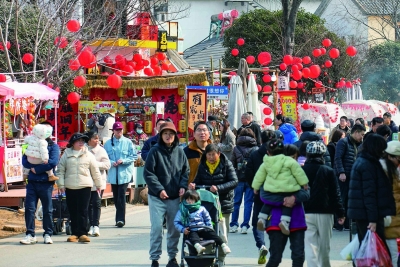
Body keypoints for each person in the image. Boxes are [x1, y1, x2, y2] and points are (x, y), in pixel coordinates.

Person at [144, 122, 189, 267]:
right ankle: (155, 258)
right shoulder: (154, 151)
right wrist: (159, 189)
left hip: (174, 196)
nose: (168, 136)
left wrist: (182, 186)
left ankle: (172, 257)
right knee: (157, 228)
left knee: (174, 228)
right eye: (165, 133)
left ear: (175, 135)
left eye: (171, 133)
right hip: (157, 197)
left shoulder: (180, 151)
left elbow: (185, 171)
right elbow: (148, 173)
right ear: (160, 135)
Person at [189, 144, 238, 265]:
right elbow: (198, 180)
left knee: (222, 231)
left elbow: (234, 181)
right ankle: (210, 256)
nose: (210, 157)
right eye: (208, 155)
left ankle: (221, 259)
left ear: (219, 154)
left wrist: (219, 188)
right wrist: (193, 185)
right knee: (208, 230)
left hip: (223, 203)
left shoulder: (226, 164)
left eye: (213, 154)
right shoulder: (203, 165)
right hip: (208, 205)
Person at [348, 134, 395, 254]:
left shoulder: (363, 161)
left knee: (366, 248)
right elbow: (369, 194)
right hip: (368, 215)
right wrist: (372, 220)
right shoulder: (368, 165)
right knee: (374, 252)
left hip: (361, 213)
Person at [302, 141, 345, 267]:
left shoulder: (302, 170)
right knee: (324, 246)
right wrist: (340, 213)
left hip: (306, 211)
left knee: (310, 246)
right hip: (326, 212)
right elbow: (335, 193)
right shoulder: (329, 171)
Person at [252, 139, 309, 235]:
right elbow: (299, 173)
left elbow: (259, 176)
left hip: (271, 189)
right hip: (287, 189)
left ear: (268, 152)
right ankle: (284, 222)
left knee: (268, 203)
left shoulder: (266, 162)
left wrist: (256, 187)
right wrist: (304, 183)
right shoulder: (290, 161)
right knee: (287, 204)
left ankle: (261, 218)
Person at [20, 121, 60, 245]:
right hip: (31, 182)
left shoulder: (53, 146)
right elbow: (24, 158)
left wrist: (36, 169)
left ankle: (48, 233)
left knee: (47, 209)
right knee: (29, 208)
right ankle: (30, 234)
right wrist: (31, 167)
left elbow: (53, 162)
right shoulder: (30, 142)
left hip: (45, 182)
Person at [57, 133, 102, 243]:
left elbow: (95, 170)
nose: (81, 143)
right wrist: (61, 185)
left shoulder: (89, 154)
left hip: (85, 186)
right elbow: (60, 170)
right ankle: (74, 233)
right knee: (73, 210)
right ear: (73, 143)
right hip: (70, 186)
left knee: (83, 210)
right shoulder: (66, 154)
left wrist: (98, 184)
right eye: (79, 141)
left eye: (83, 141)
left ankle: (83, 233)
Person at [245, 130, 276, 264]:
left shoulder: (255, 154)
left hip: (260, 193)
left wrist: (254, 187)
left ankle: (261, 245)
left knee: (258, 221)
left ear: (261, 140)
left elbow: (248, 172)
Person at [174, 190, 231, 255]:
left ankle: (223, 245)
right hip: (191, 230)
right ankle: (198, 247)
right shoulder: (182, 210)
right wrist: (182, 229)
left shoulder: (201, 208)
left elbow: (207, 218)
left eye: (192, 199)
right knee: (193, 237)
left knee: (213, 235)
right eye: (187, 199)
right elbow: (176, 222)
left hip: (203, 228)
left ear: (196, 200)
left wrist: (209, 227)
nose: (189, 201)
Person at [104, 122, 137, 228]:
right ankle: (119, 217)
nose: (119, 132)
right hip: (113, 174)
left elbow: (134, 156)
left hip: (124, 174)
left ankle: (120, 219)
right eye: (117, 130)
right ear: (113, 131)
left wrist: (124, 160)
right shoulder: (108, 144)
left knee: (121, 196)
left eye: (121, 130)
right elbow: (104, 158)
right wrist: (111, 161)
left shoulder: (128, 142)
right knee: (116, 196)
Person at [334, 124, 366, 230]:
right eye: (361, 134)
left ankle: (348, 223)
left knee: (349, 200)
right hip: (344, 176)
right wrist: (341, 172)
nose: (362, 137)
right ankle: (339, 223)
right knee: (341, 199)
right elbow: (338, 158)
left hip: (353, 176)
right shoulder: (343, 142)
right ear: (356, 132)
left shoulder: (360, 144)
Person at [229, 128, 258, 234]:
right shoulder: (255, 149)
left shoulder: (236, 148)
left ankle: (233, 224)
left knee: (236, 202)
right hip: (251, 180)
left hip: (238, 178)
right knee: (248, 203)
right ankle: (245, 225)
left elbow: (232, 164)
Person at [85, 131, 111, 237]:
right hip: (86, 181)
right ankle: (90, 225)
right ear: (89, 140)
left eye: (97, 138)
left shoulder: (101, 150)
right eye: (95, 138)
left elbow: (107, 165)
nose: (97, 141)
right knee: (88, 204)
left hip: (98, 182)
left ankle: (96, 225)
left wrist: (94, 164)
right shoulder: (84, 150)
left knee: (96, 203)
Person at [380, 141, 400, 266]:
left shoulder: (393, 170)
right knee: (391, 255)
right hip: (388, 219)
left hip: (393, 218)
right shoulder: (384, 170)